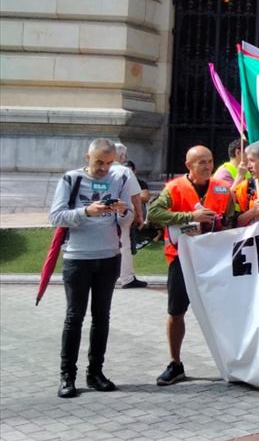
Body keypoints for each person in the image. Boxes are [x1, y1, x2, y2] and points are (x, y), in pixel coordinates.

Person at [48, 138, 134, 398]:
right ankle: (67, 376)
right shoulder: (71, 179)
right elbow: (55, 216)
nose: (104, 168)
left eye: (109, 163)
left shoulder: (117, 179)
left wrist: (121, 211)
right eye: (99, 162)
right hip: (78, 258)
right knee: (75, 317)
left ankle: (96, 372)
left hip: (109, 256)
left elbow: (129, 217)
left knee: (102, 317)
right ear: (88, 158)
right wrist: (86, 211)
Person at [146, 145, 238, 387]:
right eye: (201, 163)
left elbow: (231, 220)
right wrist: (189, 217)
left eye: (209, 161)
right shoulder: (174, 188)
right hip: (181, 259)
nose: (208, 166)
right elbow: (153, 213)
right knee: (176, 312)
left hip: (214, 259)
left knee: (223, 312)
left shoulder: (223, 188)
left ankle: (233, 361)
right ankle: (175, 364)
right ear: (189, 166)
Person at [111, 143, 150, 289]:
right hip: (122, 212)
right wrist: (140, 215)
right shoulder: (124, 171)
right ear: (121, 156)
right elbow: (136, 196)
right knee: (124, 244)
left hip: (100, 213)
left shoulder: (100, 169)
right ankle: (126, 277)